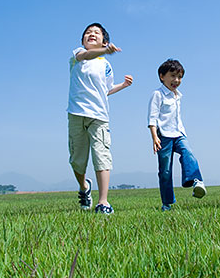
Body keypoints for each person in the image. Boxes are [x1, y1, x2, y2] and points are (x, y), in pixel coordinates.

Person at [67, 22, 133, 214]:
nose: (91, 34)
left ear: (105, 40)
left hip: (99, 115)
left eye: (96, 32)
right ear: (83, 40)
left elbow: (105, 90)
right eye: (88, 33)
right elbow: (86, 55)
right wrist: (104, 50)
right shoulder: (78, 55)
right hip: (76, 113)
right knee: (77, 160)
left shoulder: (106, 65)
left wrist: (122, 86)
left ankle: (103, 202)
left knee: (101, 156)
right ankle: (84, 187)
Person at [147, 59, 206, 211]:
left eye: (179, 77)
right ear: (162, 76)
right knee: (165, 170)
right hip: (163, 136)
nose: (176, 80)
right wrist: (154, 137)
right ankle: (167, 203)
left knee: (188, 152)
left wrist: (182, 132)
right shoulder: (157, 94)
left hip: (179, 133)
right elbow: (152, 117)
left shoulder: (177, 95)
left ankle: (196, 181)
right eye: (173, 76)